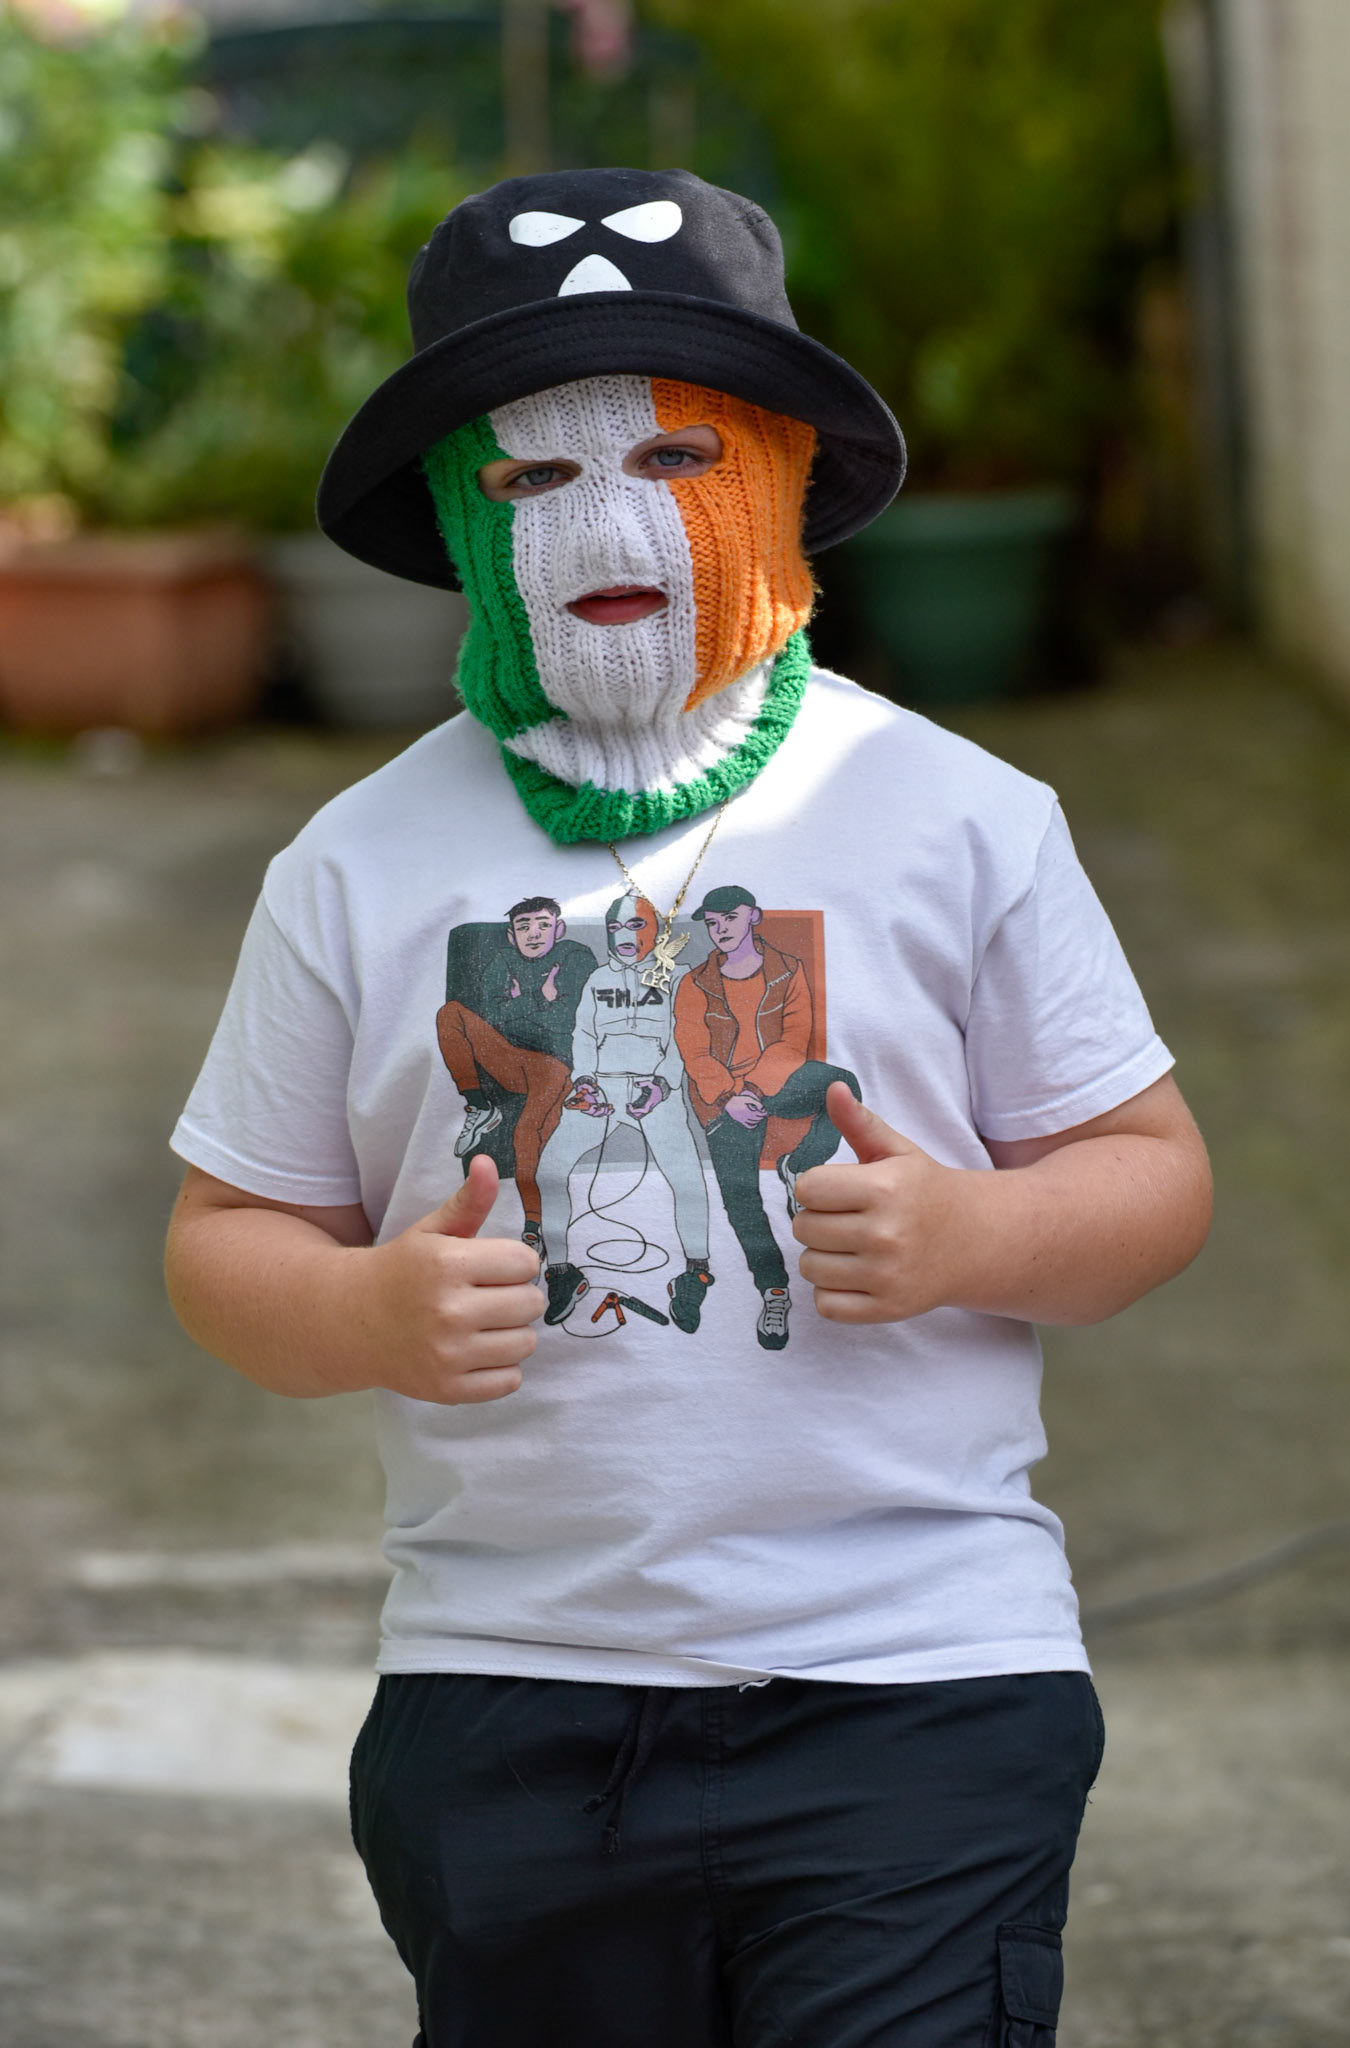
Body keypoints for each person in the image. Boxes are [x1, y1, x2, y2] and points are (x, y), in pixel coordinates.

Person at [164, 167, 1211, 2048]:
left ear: (786, 468)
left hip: (919, 1677)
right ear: (455, 522)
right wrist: (359, 1308)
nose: (608, 515)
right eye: (533, 477)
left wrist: (978, 1232)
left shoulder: (957, 814)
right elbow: (226, 1233)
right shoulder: (357, 858)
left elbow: (1152, 1176)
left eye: (671, 449)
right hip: (510, 1689)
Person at [673, 882, 859, 1350]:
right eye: (712, 924)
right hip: (721, 1098)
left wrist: (755, 1087)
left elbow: (794, 1040)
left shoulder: (786, 971)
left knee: (841, 1086)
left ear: (753, 917)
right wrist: (728, 1096)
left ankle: (799, 1166)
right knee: (742, 1200)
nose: (720, 931)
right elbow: (694, 1053)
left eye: (729, 919)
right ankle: (774, 1292)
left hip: (773, 1082)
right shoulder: (695, 984)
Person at [534, 888, 714, 1330]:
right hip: (602, 1089)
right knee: (550, 1169)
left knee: (687, 1176)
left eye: (635, 925)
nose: (623, 935)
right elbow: (583, 1036)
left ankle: (695, 1273)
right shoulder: (599, 979)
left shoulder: (680, 976)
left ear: (656, 930)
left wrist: (663, 1084)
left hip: (656, 1091)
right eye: (615, 927)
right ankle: (561, 1272)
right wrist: (586, 1084)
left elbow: (685, 1038)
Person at [435, 893, 595, 1256]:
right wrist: (543, 997)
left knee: (528, 1137)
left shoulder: (575, 956)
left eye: (543, 925)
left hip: (554, 1066)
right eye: (524, 926)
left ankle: (534, 1230)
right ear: (512, 935)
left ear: (560, 929)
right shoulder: (504, 958)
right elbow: (491, 1015)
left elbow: (569, 1015)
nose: (534, 933)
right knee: (451, 1014)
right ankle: (480, 1107)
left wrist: (519, 1003)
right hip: (508, 1058)